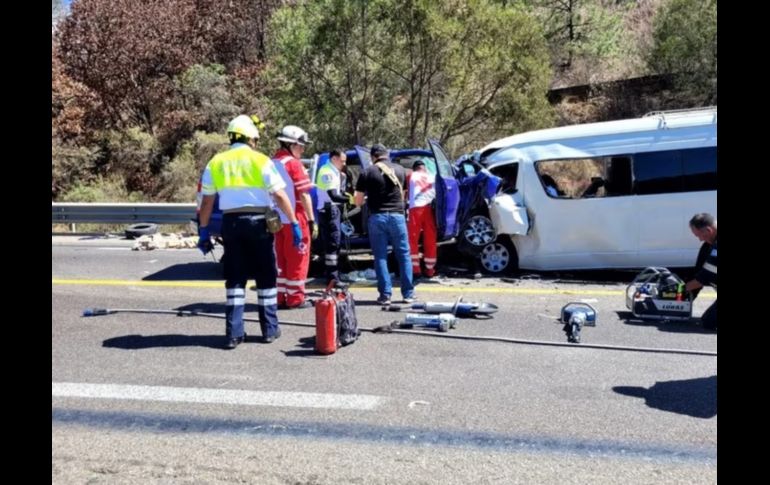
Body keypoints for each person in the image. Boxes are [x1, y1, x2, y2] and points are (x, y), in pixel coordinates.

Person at [198, 115, 301, 349]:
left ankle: (234, 334)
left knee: (235, 276)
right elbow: (280, 195)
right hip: (259, 222)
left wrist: (204, 231)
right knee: (266, 275)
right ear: (250, 139)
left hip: (231, 222)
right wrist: (293, 222)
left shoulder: (216, 162)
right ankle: (269, 330)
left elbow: (207, 203)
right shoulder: (261, 160)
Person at [354, 143, 415, 305]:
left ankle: (385, 295)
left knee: (380, 256)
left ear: (373, 157)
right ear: (386, 155)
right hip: (397, 216)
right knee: (403, 255)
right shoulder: (401, 170)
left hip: (377, 217)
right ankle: (408, 294)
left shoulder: (367, 172)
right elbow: (403, 196)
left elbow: (358, 201)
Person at [272, 125, 316, 309]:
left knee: (280, 259)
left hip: (275, 219)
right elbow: (304, 195)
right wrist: (312, 219)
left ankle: (281, 296)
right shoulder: (294, 164)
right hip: (295, 217)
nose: (303, 149)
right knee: (298, 257)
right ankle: (296, 298)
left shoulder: (271, 162)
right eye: (301, 145)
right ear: (291, 144)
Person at [316, 148, 352, 283]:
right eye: (342, 161)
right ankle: (333, 278)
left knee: (335, 244)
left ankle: (334, 276)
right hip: (329, 211)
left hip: (332, 210)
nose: (344, 164)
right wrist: (351, 200)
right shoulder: (327, 172)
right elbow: (333, 195)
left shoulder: (334, 171)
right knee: (332, 244)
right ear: (334, 159)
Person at [684, 213, 717, 331]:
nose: (700, 239)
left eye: (699, 236)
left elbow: (704, 277)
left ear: (708, 230)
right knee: (707, 320)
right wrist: (684, 301)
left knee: (709, 322)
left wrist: (682, 289)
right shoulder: (708, 246)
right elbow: (699, 272)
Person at [406, 159, 438, 279]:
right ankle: (430, 270)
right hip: (430, 209)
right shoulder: (432, 176)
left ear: (414, 168)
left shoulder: (411, 176)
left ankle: (415, 270)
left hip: (416, 209)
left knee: (412, 239)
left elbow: (406, 193)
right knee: (430, 239)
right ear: (424, 168)